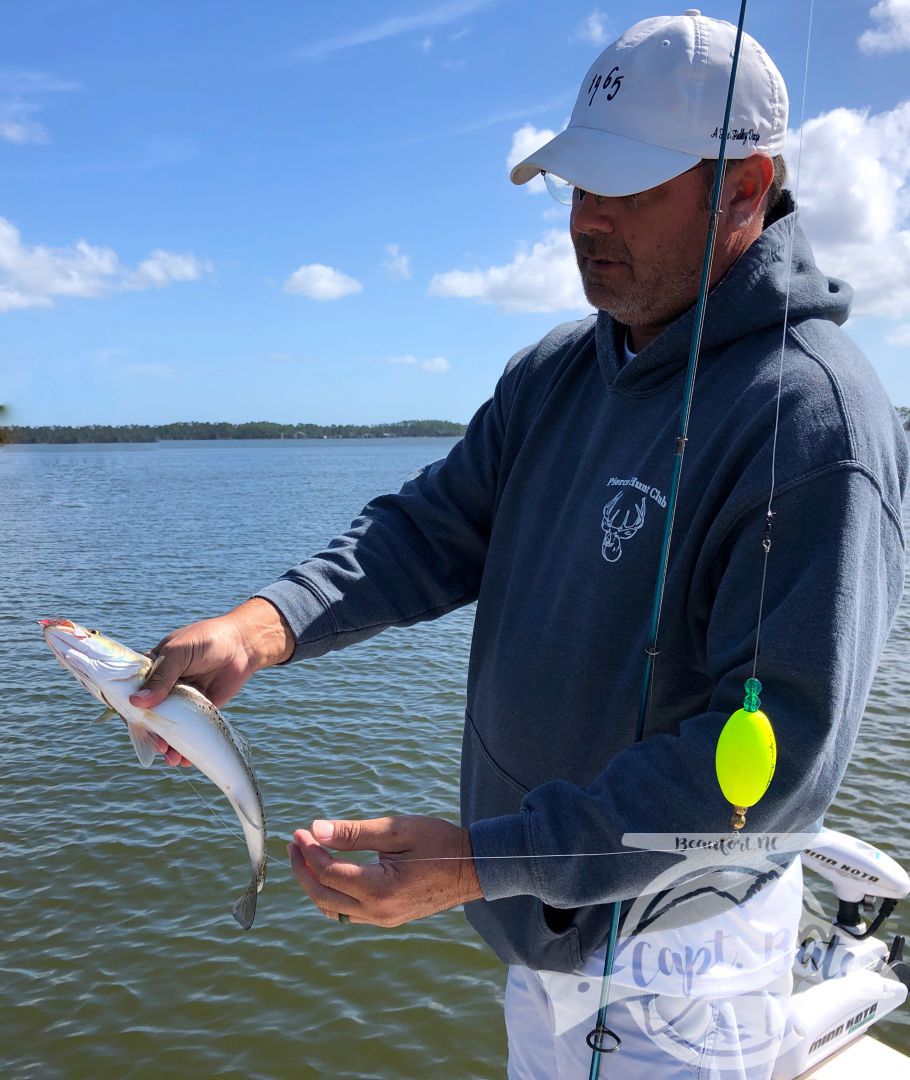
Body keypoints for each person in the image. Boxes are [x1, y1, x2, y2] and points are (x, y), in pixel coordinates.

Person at [131, 11, 908, 1078]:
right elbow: (431, 528)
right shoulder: (554, 371)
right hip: (534, 925)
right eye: (578, 187)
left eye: (626, 190)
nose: (588, 221)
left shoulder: (815, 424)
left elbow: (764, 781)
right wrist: (263, 627)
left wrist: (479, 860)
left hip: (676, 962)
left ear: (741, 185)